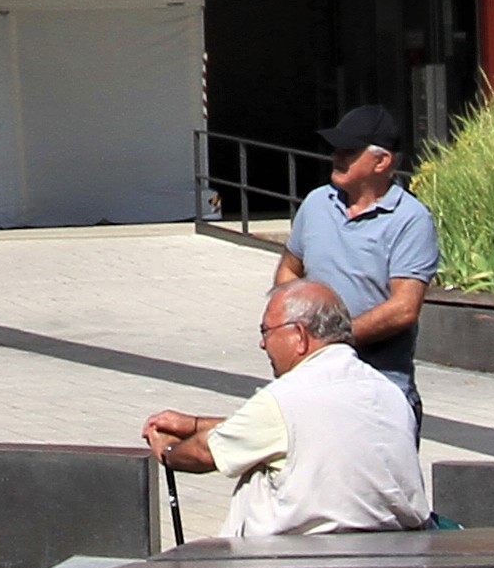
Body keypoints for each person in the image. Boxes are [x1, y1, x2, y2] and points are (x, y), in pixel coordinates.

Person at [142, 282, 432, 539]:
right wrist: (195, 424)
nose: (262, 343)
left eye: (266, 331)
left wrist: (167, 450)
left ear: (299, 335)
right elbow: (304, 428)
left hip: (293, 562)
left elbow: (205, 453)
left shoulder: (286, 397)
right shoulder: (387, 392)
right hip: (398, 548)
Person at [283, 103, 440, 419]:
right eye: (335, 148)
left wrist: (330, 340)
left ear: (381, 161)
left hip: (380, 393)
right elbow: (289, 268)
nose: (337, 156)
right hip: (311, 387)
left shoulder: (410, 220)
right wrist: (290, 325)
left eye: (349, 150)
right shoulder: (316, 204)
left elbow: (404, 309)